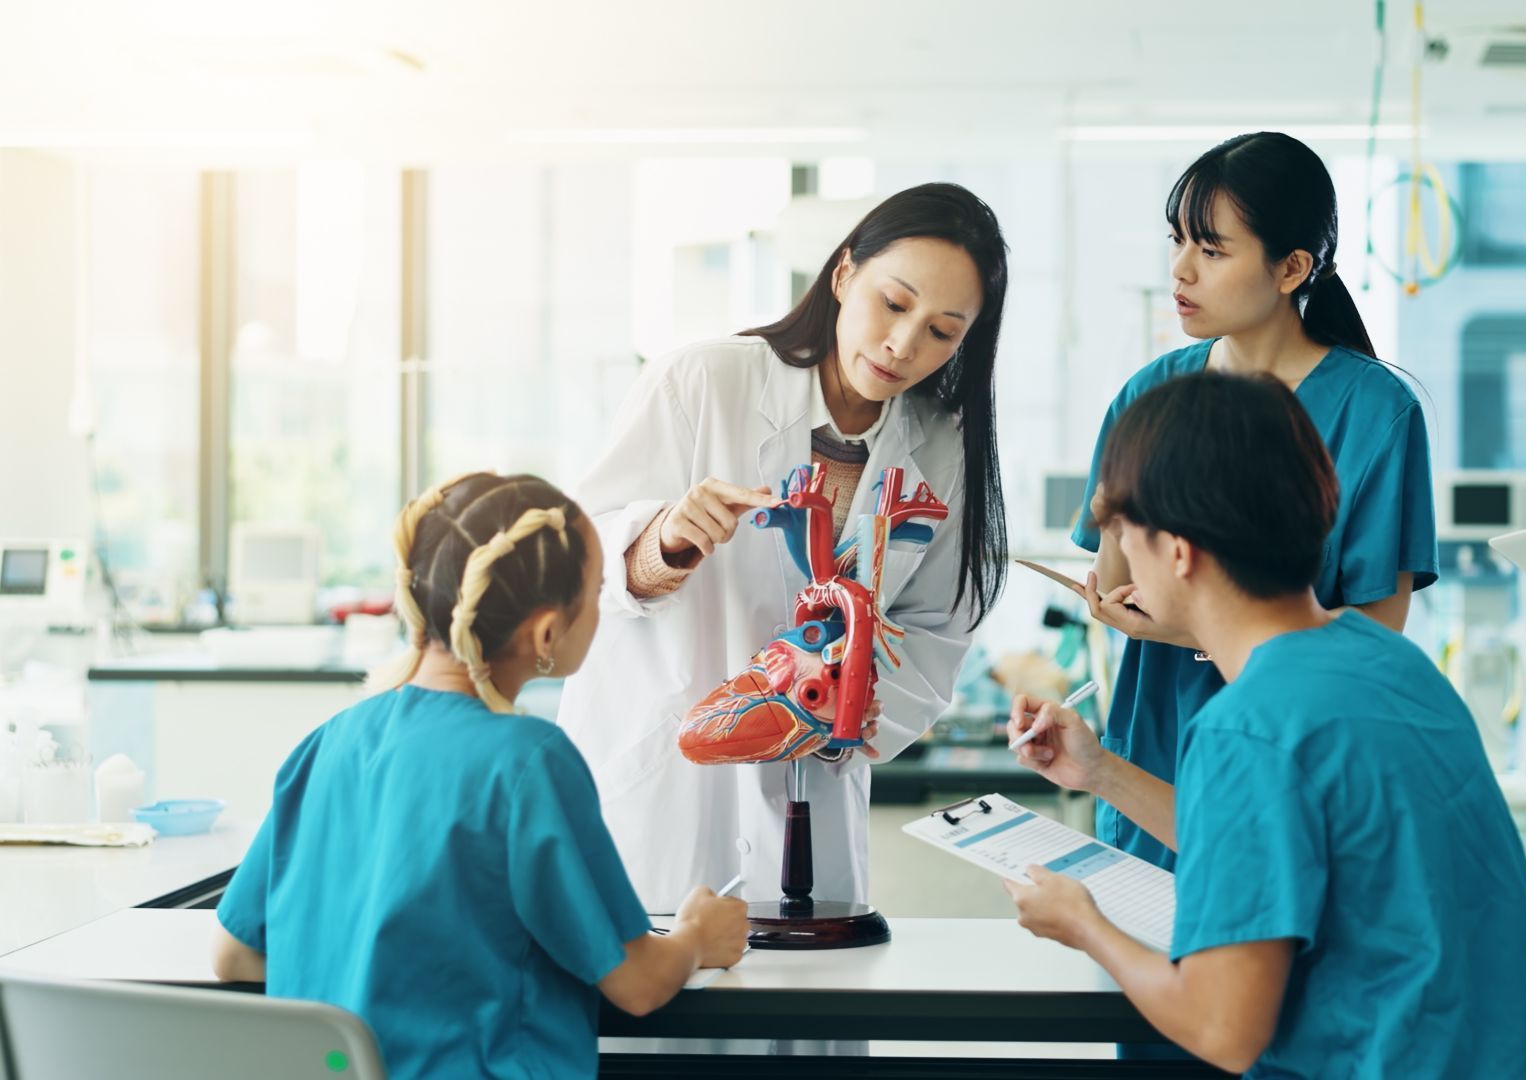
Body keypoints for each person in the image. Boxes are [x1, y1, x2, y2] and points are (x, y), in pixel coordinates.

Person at [1006, 372, 1526, 1077]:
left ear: (1180, 550)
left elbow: (1224, 1030)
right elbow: (1269, 844)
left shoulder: (1247, 725)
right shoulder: (1385, 663)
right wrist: (1099, 771)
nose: (1119, 557)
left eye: (1125, 534)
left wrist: (1084, 925)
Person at [557, 183, 1010, 906]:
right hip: (665, 789)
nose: (903, 345)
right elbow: (575, 562)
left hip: (814, 802)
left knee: (801, 999)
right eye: (893, 304)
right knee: (662, 997)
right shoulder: (702, 379)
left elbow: (935, 631)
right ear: (842, 275)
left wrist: (855, 705)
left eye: (942, 330)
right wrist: (663, 541)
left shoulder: (943, 447)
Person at [211, 473, 747, 1080]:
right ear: (547, 632)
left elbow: (235, 954)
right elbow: (640, 983)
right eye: (597, 591)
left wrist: (366, 967)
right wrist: (698, 937)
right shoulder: (527, 762)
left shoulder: (327, 743)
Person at [1073, 131, 1437, 877]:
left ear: (1292, 268)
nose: (1180, 270)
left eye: (1212, 250)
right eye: (1177, 241)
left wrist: (1197, 630)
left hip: (1297, 755)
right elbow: (1113, 586)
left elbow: (1373, 637)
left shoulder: (1375, 414)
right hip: (1155, 759)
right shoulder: (1148, 394)